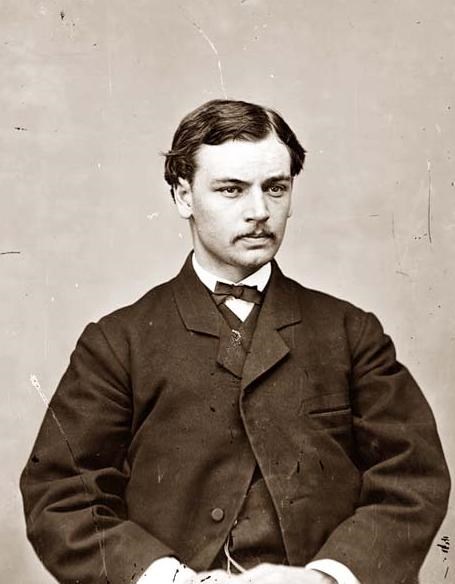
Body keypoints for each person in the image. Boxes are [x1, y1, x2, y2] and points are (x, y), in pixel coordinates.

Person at [20, 99, 450, 584]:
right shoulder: (117, 343)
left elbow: (413, 477)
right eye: (231, 190)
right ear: (183, 196)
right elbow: (61, 494)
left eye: (276, 188)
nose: (260, 211)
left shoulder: (351, 333)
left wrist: (327, 577)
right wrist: (169, 579)